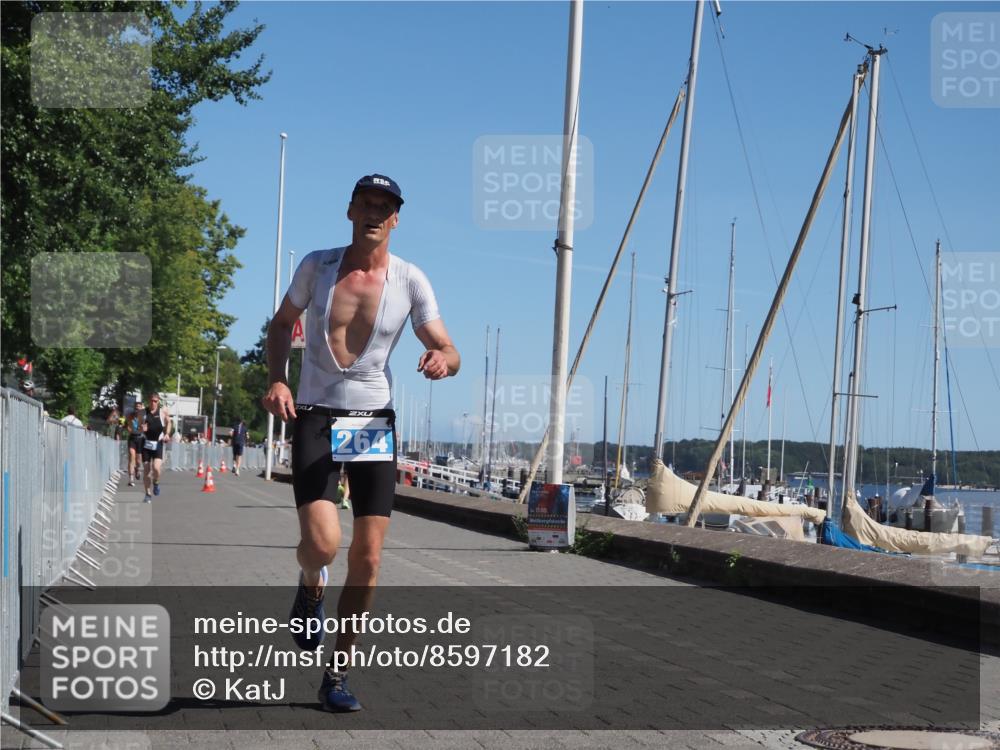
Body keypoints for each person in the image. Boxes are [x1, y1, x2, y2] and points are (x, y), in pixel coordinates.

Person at [262, 173, 459, 712]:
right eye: (366, 203)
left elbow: (449, 348)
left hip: (371, 421)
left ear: (395, 219)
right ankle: (311, 584)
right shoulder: (318, 266)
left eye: (384, 206)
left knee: (368, 558)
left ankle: (337, 675)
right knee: (323, 545)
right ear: (350, 210)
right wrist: (278, 379)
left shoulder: (410, 280)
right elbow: (281, 325)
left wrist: (442, 360)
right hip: (317, 415)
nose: (374, 213)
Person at [140, 393, 170, 502]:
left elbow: (169, 422)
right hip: (146, 443)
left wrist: (167, 434)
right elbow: (138, 426)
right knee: (146, 470)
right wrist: (141, 428)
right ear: (149, 401)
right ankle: (147, 494)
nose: (153, 403)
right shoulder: (143, 413)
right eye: (151, 401)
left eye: (155, 401)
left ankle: (156, 482)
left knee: (156, 468)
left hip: (158, 443)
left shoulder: (162, 412)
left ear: (158, 402)